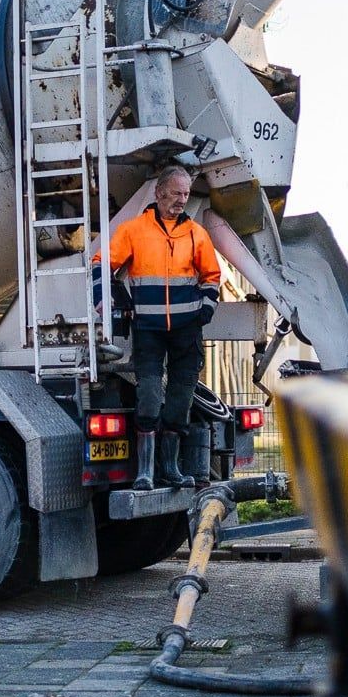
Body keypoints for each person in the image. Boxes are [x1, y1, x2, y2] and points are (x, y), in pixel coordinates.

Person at [93, 165, 221, 490]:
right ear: (159, 192)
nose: (182, 200)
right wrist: (105, 296)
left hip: (187, 332)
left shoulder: (196, 234)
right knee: (149, 399)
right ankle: (145, 472)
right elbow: (100, 263)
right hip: (148, 329)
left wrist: (205, 310)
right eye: (177, 193)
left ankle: (170, 469)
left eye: (186, 194)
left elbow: (212, 277)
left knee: (180, 400)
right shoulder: (134, 230)